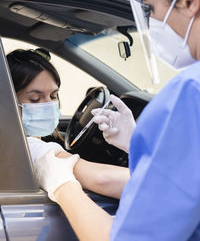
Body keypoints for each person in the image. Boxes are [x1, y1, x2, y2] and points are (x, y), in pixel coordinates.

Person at [34, 0, 200, 240]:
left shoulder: (189, 94)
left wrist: (61, 184)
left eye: (150, 8)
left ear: (189, 1)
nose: (151, 21)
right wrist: (136, 143)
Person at [7, 48, 129, 200]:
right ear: (7, 102)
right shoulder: (30, 149)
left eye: (53, 95)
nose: (49, 105)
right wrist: (135, 144)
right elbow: (103, 179)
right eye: (35, 99)